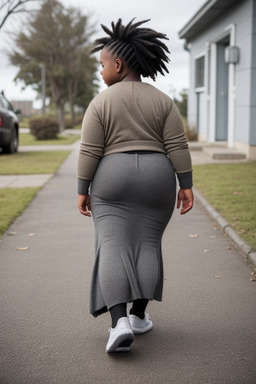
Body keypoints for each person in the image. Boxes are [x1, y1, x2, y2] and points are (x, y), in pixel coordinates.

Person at [77, 18, 193, 353]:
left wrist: (82, 188)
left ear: (118, 63)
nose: (101, 72)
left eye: (102, 65)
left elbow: (90, 149)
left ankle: (119, 323)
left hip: (112, 177)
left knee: (112, 244)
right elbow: (178, 145)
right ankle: (140, 316)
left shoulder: (102, 101)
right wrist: (185, 184)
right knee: (147, 243)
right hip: (158, 178)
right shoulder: (162, 100)